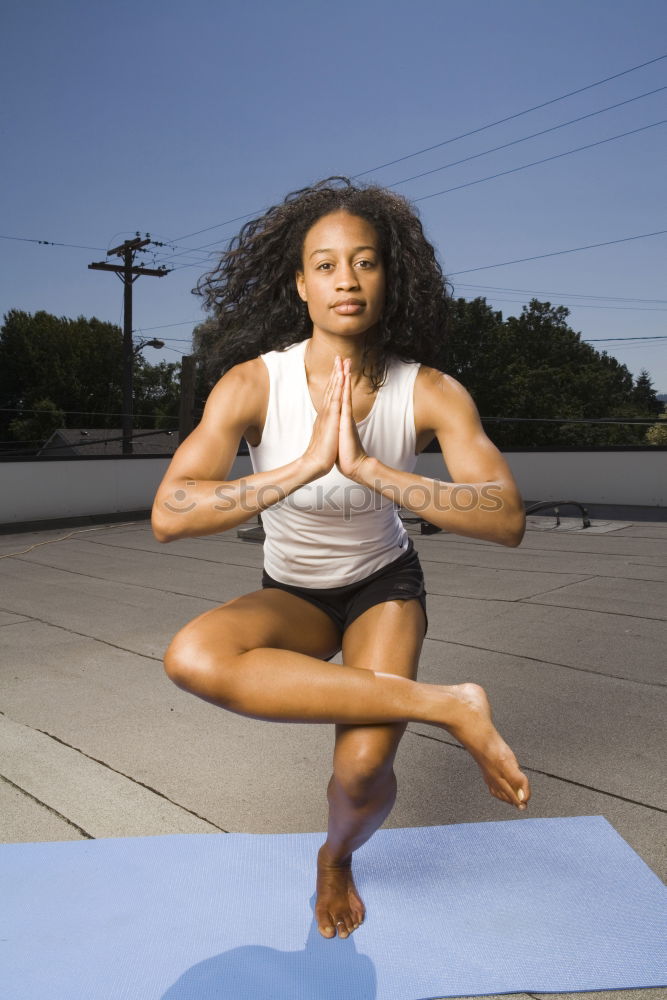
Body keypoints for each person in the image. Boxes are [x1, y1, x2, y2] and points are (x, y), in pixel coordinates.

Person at [151, 177, 531, 941]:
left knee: (359, 773)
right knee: (192, 656)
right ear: (299, 283)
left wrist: (372, 471)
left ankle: (336, 857)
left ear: (390, 277)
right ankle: (448, 705)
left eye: (363, 262)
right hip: (292, 590)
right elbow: (170, 513)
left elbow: (505, 518)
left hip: (382, 587)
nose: (345, 280)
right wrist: (298, 468)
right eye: (324, 265)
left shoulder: (430, 391)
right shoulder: (253, 382)